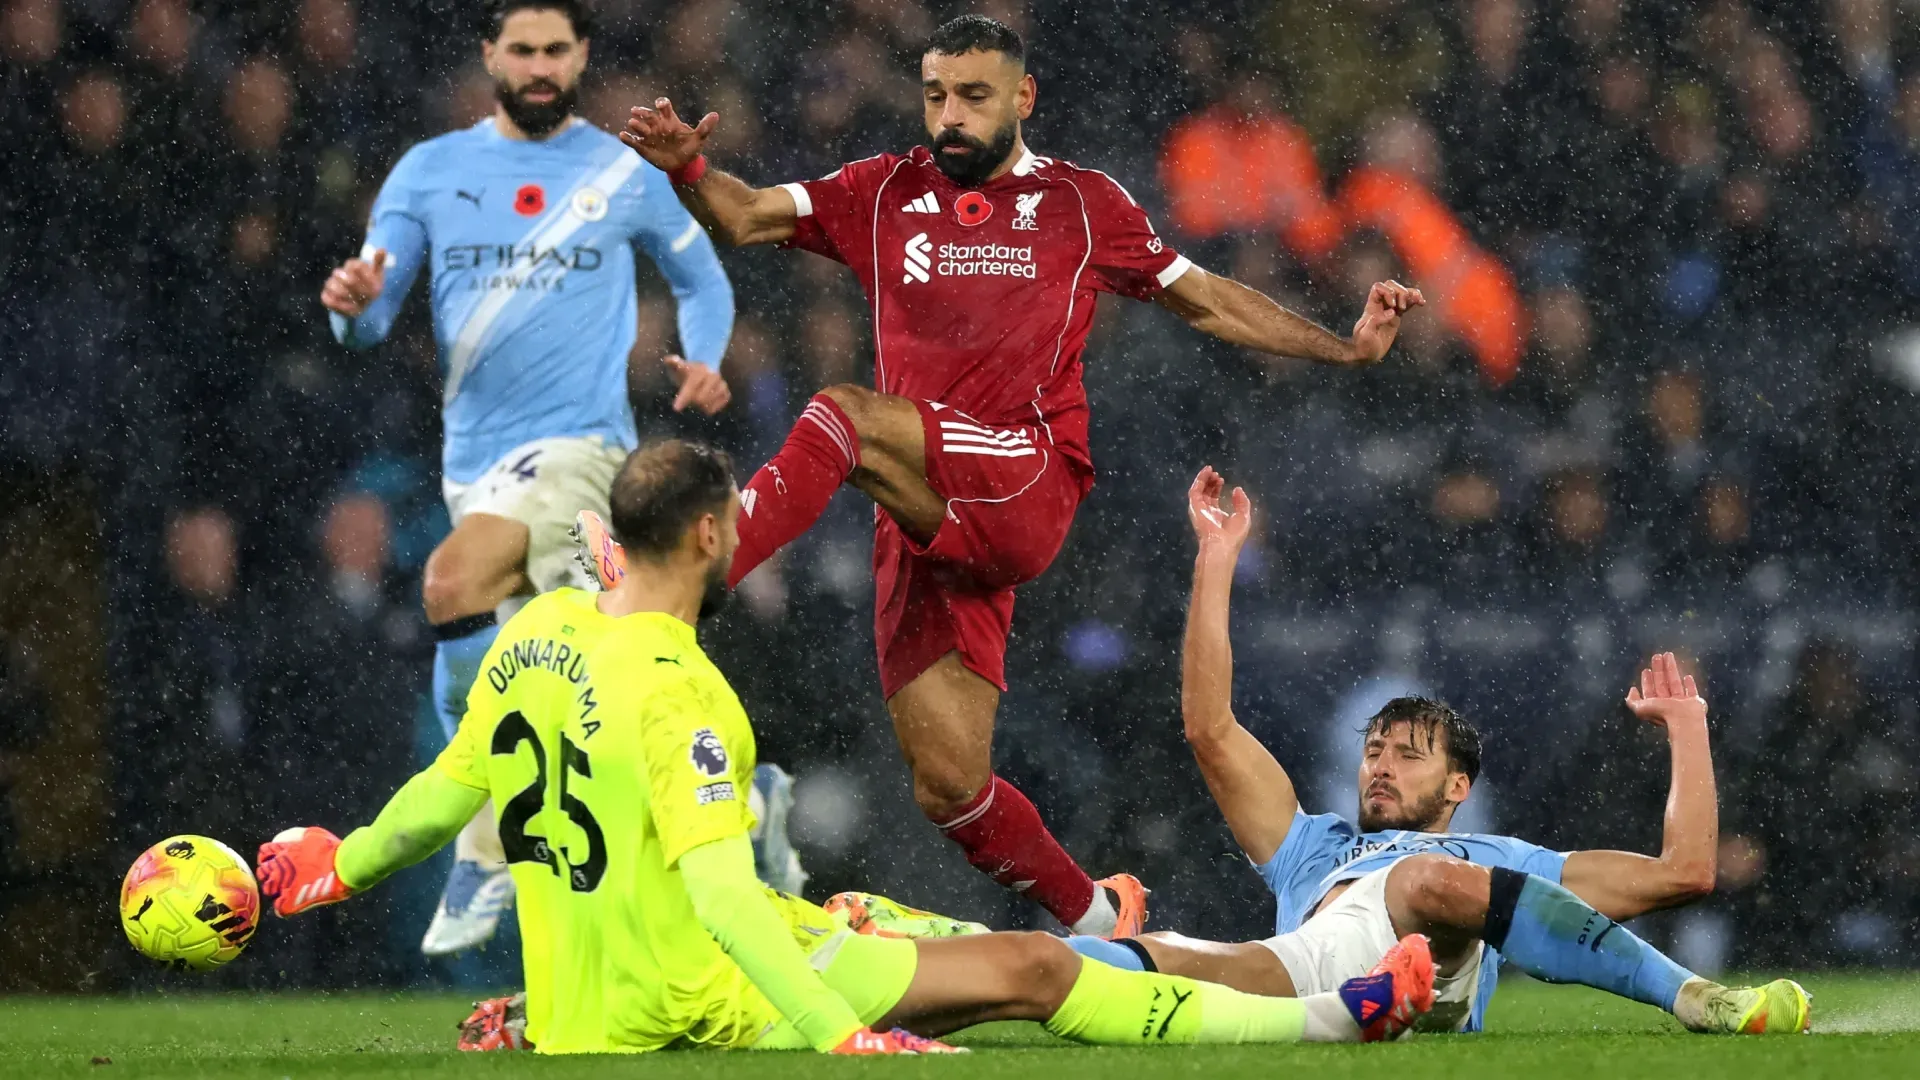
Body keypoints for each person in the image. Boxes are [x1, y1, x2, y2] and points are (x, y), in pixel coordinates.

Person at [595, 14, 1425, 938]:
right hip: (923, 510)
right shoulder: (881, 192)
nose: (949, 115)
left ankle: (675, 582)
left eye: (974, 96)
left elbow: (1207, 298)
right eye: (936, 95)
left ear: (1022, 98)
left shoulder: (1081, 203)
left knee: (841, 412)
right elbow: (746, 217)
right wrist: (689, 169)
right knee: (949, 786)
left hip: (1025, 476)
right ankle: (1099, 914)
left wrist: (1342, 349)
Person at [253, 439, 1438, 1055]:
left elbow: (438, 794)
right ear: (714, 534)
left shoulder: (539, 630)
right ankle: (1342, 1014)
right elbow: (724, 900)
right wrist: (842, 1038)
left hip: (583, 999)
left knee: (862, 911)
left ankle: (966, 938)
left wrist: (335, 866)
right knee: (1034, 976)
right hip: (698, 999)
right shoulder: (683, 691)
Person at [1052, 468, 1809, 1035]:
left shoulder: (1504, 861)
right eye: (1374, 750)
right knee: (1091, 960)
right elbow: (1209, 728)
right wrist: (1216, 561)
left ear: (1457, 788)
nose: (1381, 764)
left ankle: (1698, 997)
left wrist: (1687, 730)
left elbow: (1687, 872)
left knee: (1432, 881)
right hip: (1314, 985)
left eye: (1409, 755)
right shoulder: (1310, 846)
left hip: (1435, 971)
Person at [318, 0, 736, 955]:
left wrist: (705, 356)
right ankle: (742, 814)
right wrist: (352, 306)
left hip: (584, 454)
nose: (541, 66)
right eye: (523, 50)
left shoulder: (624, 172)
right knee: (596, 688)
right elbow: (371, 315)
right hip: (475, 468)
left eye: (557, 50)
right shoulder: (429, 172)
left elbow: (703, 279)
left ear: (582, 55)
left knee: (450, 582)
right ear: (490, 57)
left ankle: (485, 844)